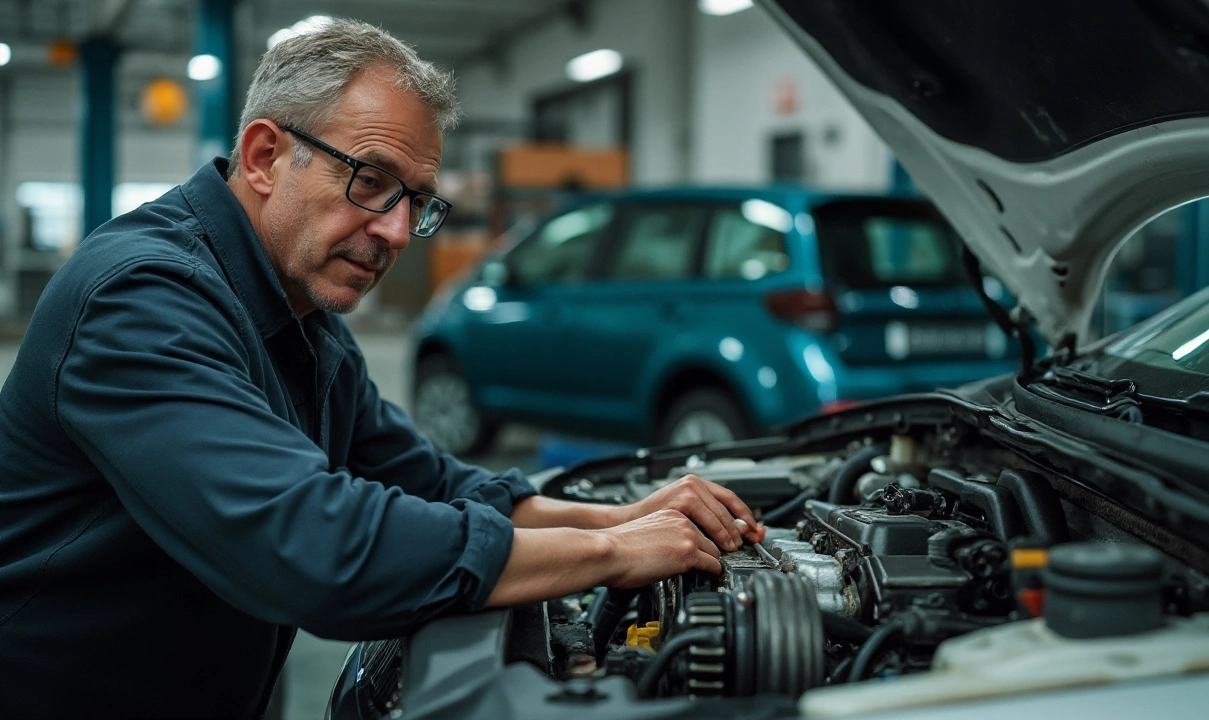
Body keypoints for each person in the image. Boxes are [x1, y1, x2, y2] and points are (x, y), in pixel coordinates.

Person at [0, 20, 762, 719]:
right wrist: (607, 556)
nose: (396, 231)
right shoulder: (139, 298)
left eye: (419, 202)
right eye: (371, 180)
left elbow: (432, 485)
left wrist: (625, 519)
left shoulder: (304, 314)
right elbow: (316, 550)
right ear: (265, 156)